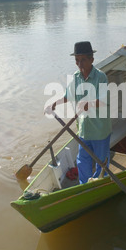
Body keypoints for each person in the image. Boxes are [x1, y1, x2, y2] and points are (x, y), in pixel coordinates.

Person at [45, 41, 112, 184]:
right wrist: (53, 104)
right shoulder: (76, 77)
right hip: (84, 130)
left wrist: (90, 104)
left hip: (100, 130)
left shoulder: (101, 77)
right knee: (83, 161)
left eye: (83, 60)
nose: (79, 64)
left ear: (92, 60)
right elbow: (67, 96)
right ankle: (84, 186)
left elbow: (105, 100)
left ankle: (101, 183)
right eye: (77, 60)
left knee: (102, 162)